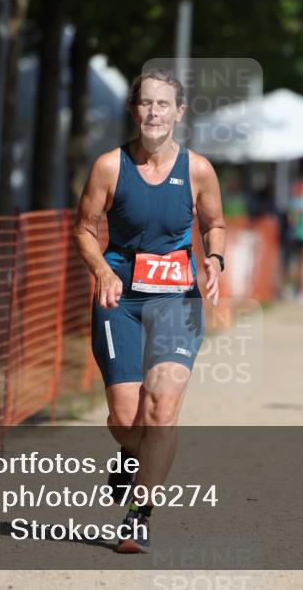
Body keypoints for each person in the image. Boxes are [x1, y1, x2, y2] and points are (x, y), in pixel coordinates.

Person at [73, 70, 225, 553]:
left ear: (179, 112)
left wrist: (215, 259)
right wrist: (102, 270)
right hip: (119, 299)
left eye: (163, 104)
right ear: (133, 110)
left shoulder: (198, 170)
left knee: (160, 411)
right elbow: (83, 229)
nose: (154, 112)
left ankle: (138, 516)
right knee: (124, 419)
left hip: (177, 300)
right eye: (146, 103)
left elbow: (215, 223)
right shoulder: (109, 167)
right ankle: (130, 452)